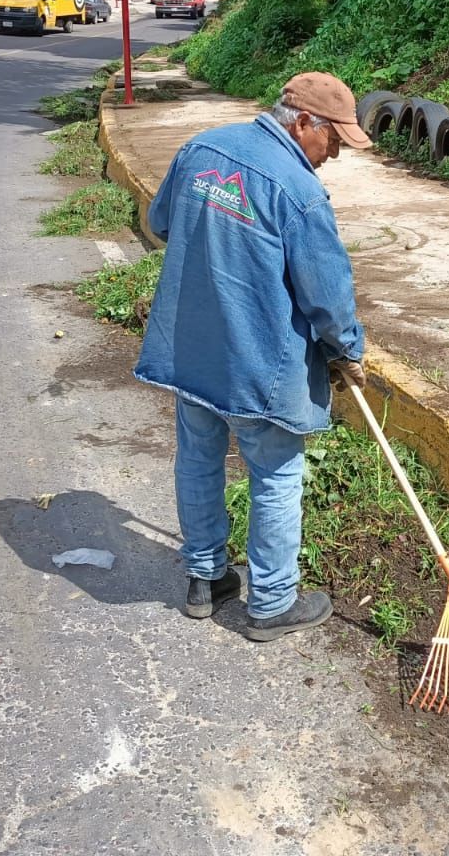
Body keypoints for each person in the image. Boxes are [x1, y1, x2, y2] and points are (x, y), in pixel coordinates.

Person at [135, 72, 371, 640]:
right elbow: (327, 294)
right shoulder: (298, 190)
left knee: (198, 459)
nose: (334, 153)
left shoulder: (202, 149)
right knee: (277, 474)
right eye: (334, 139)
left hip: (192, 347)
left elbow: (161, 223)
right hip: (258, 362)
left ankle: (205, 580)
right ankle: (270, 603)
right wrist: (347, 351)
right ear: (303, 122)